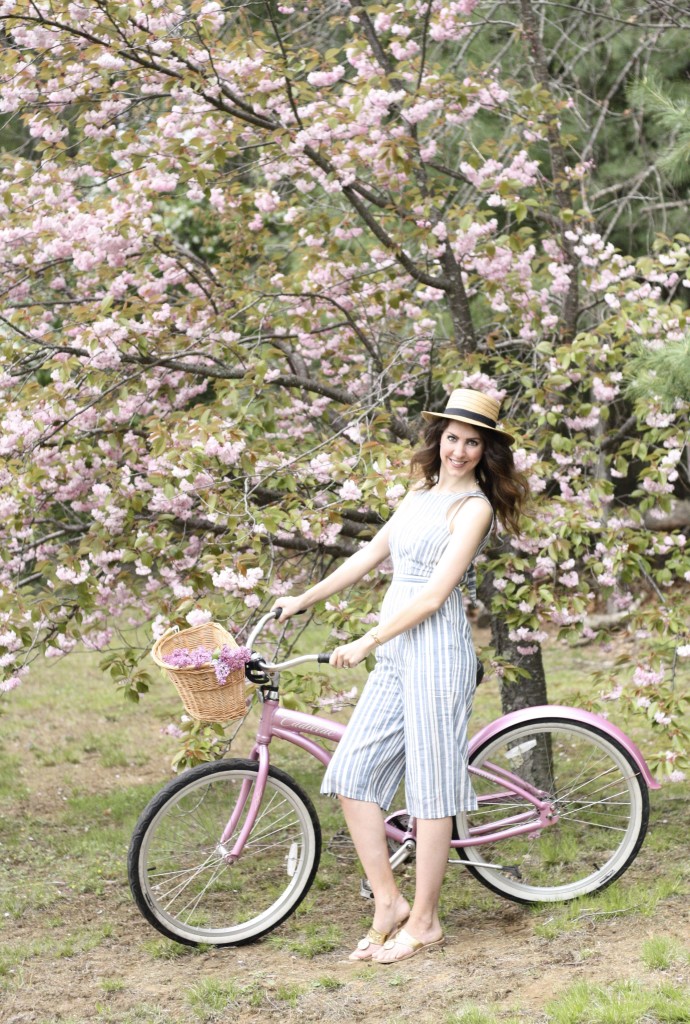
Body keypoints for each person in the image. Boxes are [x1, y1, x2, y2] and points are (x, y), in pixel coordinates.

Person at [271, 387, 528, 964]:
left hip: (436, 653)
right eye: (452, 438)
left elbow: (436, 595)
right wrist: (303, 598)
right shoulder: (419, 493)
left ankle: (427, 920)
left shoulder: (475, 509)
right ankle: (388, 902)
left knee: (431, 788)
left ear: (485, 451)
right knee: (353, 774)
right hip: (397, 653)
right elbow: (370, 555)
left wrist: (367, 639)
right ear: (437, 439)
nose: (459, 450)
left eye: (472, 442)